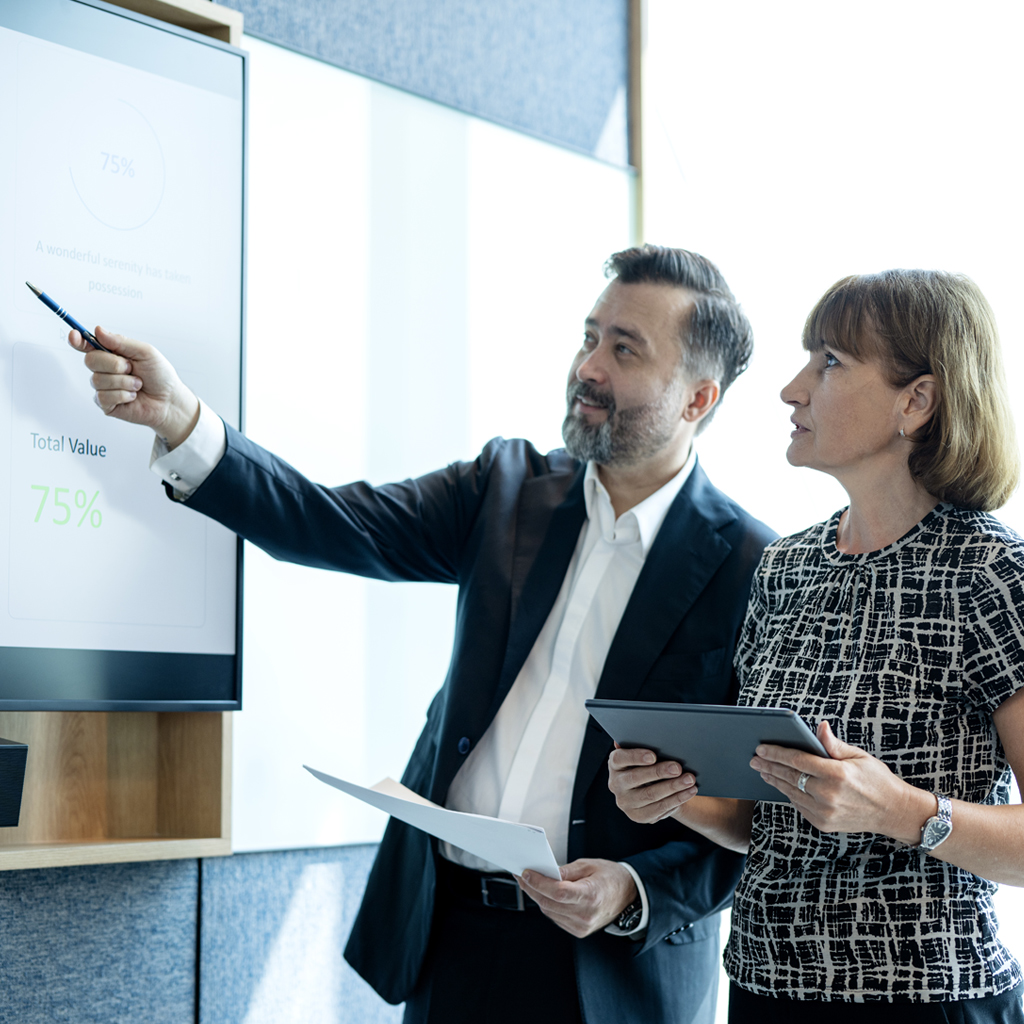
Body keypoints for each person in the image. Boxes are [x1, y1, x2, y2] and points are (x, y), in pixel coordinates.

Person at [71, 244, 775, 1024]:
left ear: (698, 397)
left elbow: (766, 822)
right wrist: (182, 421)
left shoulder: (756, 567)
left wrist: (633, 889)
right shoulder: (504, 490)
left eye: (624, 348)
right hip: (453, 943)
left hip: (612, 973)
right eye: (589, 335)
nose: (588, 367)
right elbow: (329, 522)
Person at [609, 268, 1024, 1022]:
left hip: (927, 1000)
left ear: (916, 401)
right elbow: (767, 819)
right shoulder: (786, 568)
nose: (792, 389)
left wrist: (902, 810)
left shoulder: (994, 574)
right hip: (766, 993)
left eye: (829, 361)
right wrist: (682, 800)